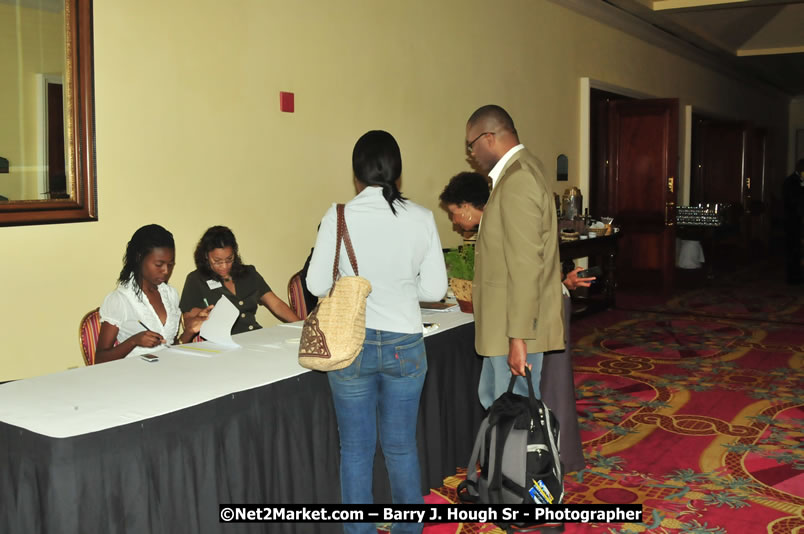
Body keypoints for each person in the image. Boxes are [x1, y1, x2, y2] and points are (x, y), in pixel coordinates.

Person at [306, 130, 447, 534]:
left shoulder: (339, 216)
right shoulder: (421, 218)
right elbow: (435, 290)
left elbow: (316, 285)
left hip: (352, 344)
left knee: (355, 450)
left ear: (356, 173)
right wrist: (403, 289)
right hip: (405, 342)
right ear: (397, 172)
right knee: (401, 447)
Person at [440, 171, 589, 472]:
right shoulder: (488, 228)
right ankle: (501, 469)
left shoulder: (501, 222)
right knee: (492, 396)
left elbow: (525, 273)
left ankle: (517, 476)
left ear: (467, 206)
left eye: (455, 214)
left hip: (515, 328)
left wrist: (517, 337)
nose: (455, 222)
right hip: (499, 329)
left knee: (518, 404)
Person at [465, 104, 565, 409]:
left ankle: (517, 460)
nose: (471, 154)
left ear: (489, 137)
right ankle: (504, 459)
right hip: (504, 325)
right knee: (498, 406)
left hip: (514, 327)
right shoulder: (518, 173)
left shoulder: (518, 180)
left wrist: (518, 338)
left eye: (471, 145)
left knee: (516, 416)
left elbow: (525, 266)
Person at [96, 224, 209, 363]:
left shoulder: (170, 294)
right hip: (133, 375)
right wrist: (133, 341)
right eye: (159, 264)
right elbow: (100, 359)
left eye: (170, 264)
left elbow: (170, 348)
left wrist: (189, 331)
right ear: (139, 258)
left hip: (167, 371)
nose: (166, 271)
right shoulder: (120, 299)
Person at [180, 226, 299, 335]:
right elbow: (188, 321)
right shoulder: (196, 280)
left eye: (229, 259)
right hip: (222, 343)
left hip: (254, 336)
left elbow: (276, 304)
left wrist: (303, 327)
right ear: (206, 256)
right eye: (217, 261)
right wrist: (200, 317)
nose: (224, 266)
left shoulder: (248, 274)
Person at [783, 159, 804, 285]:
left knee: (797, 251)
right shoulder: (790, 181)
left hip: (798, 220)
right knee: (793, 250)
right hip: (792, 220)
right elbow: (794, 200)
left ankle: (798, 276)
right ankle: (793, 278)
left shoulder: (799, 181)